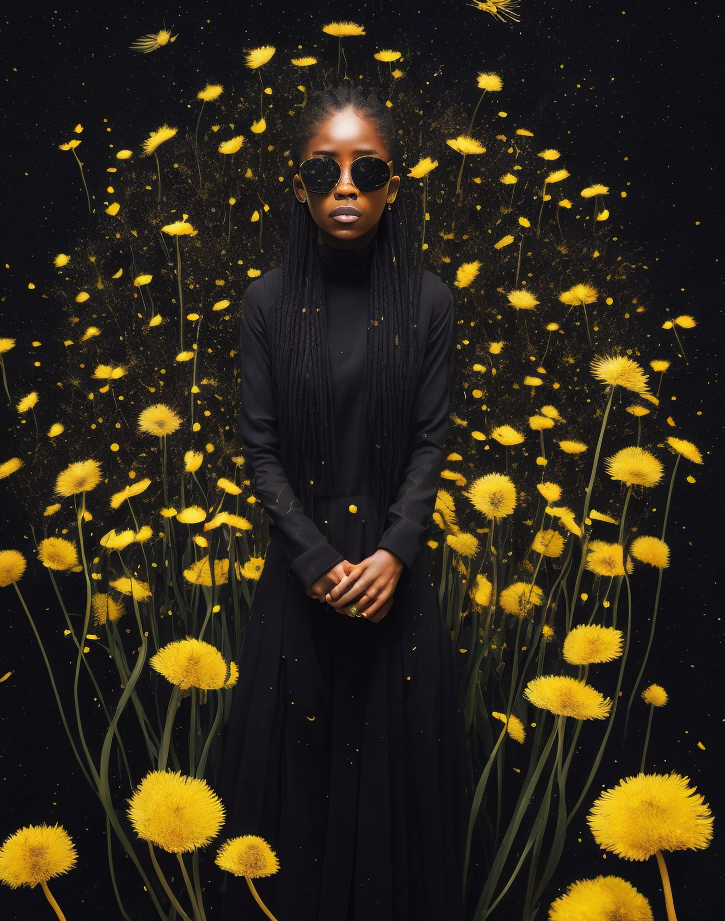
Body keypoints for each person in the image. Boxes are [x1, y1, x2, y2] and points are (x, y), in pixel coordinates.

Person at [218, 86, 467, 921]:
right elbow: (259, 447)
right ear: (299, 184)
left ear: (393, 186)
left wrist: (395, 550)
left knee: (400, 798)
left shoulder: (430, 301)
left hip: (397, 585)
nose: (346, 186)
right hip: (301, 578)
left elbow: (432, 441)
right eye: (325, 170)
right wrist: (318, 561)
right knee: (297, 791)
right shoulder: (265, 302)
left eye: (368, 170)